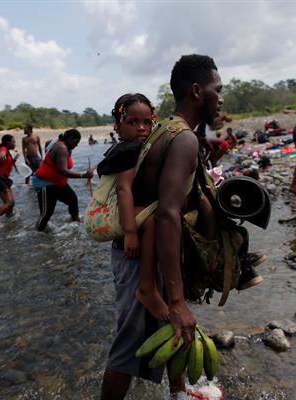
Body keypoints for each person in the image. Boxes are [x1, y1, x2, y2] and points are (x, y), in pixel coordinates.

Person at [101, 54, 239, 399]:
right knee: (129, 346)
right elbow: (166, 214)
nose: (221, 98)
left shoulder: (166, 129)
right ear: (196, 91)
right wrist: (176, 300)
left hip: (147, 253)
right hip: (138, 259)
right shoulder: (184, 139)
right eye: (216, 90)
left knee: (170, 328)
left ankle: (179, 391)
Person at [95, 93, 168, 320]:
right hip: (128, 225)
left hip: (127, 218)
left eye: (147, 122)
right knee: (154, 218)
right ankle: (146, 288)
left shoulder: (132, 147)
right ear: (118, 126)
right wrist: (130, 233)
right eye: (133, 122)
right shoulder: (128, 150)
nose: (142, 128)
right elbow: (123, 189)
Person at [33, 129, 94, 231]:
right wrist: (83, 175)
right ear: (70, 139)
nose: (76, 145)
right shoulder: (61, 148)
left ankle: (76, 224)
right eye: (76, 142)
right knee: (46, 213)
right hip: (46, 184)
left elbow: (48, 145)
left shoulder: (65, 147)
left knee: (73, 200)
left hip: (58, 184)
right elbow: (63, 171)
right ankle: (36, 235)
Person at [0, 134, 19, 217]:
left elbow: (6, 164)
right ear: (7, 142)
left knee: (11, 204)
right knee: (9, 203)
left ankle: (9, 223)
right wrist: (2, 154)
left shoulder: (7, 151)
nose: (14, 144)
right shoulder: (3, 149)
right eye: (13, 142)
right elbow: (2, 152)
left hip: (4, 179)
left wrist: (15, 159)